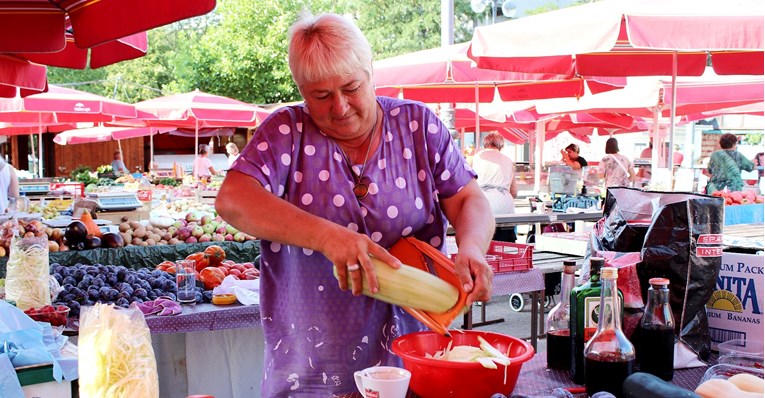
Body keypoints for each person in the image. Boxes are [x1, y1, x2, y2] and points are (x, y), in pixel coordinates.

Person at [215, 12, 494, 397]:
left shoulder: (419, 125)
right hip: (311, 362)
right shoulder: (285, 132)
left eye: (351, 87)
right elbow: (232, 200)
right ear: (301, 90)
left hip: (413, 351)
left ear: (371, 73)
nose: (341, 107)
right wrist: (327, 237)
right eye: (321, 96)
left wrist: (473, 248)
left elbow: (467, 199)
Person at [472, 132, 518, 242]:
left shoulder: (476, 158)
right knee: (506, 246)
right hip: (505, 206)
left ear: (485, 144)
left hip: (483, 203)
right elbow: (514, 192)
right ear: (501, 146)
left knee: (483, 244)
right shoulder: (508, 160)